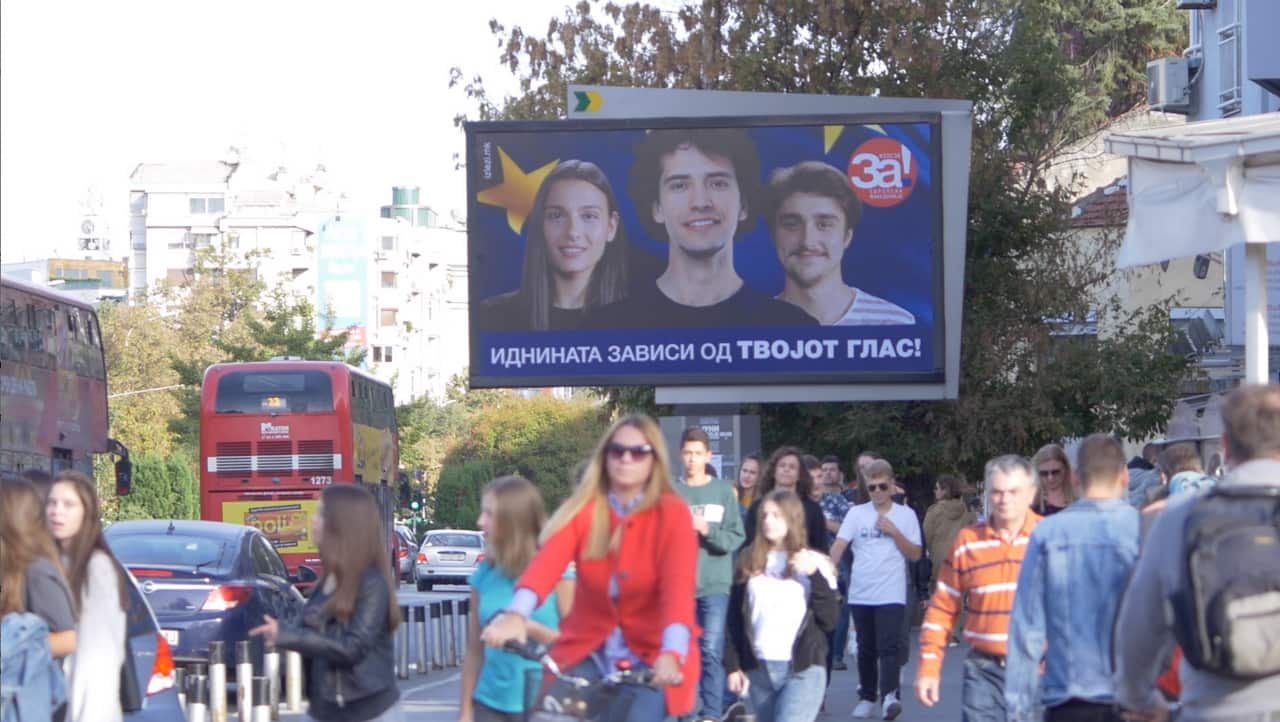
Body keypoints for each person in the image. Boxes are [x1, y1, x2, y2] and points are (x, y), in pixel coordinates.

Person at [479, 415, 700, 721]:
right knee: (550, 715)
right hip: (589, 653)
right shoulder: (586, 510)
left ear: (654, 460)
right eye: (616, 450)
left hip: (652, 657)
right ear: (605, 456)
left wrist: (672, 653)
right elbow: (546, 564)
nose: (625, 458)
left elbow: (678, 589)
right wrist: (515, 616)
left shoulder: (672, 514)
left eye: (638, 452)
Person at [1114, 384, 1280, 722]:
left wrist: (1139, 698)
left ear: (1225, 444)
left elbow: (1140, 625)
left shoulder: (1180, 516)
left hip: (1213, 708)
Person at [590, 128, 818, 328]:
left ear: (744, 205)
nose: (700, 202)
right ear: (657, 207)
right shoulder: (607, 329)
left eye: (718, 183)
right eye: (679, 185)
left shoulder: (793, 328)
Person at [1005, 434, 1140, 722]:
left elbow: (1027, 626)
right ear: (1125, 475)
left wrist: (1019, 707)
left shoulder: (1047, 533)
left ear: (1076, 477)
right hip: (1132, 693)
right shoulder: (1144, 529)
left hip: (1069, 690)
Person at [250, 484, 403, 722]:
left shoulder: (372, 584)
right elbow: (311, 639)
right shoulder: (326, 581)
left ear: (341, 525)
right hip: (324, 709)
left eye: (321, 514)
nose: (313, 521)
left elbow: (352, 648)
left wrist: (289, 636)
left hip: (367, 710)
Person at [915, 455, 1041, 722]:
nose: (1004, 499)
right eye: (997, 492)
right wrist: (929, 664)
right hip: (983, 669)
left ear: (1030, 493)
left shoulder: (1048, 538)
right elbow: (942, 607)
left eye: (1013, 492)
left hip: (1036, 669)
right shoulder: (969, 541)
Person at [460, 476, 573, 722]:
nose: (481, 522)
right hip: (490, 703)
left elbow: (577, 646)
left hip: (545, 704)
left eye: (490, 514)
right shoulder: (484, 574)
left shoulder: (560, 575)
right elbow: (473, 651)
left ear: (514, 521)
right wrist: (466, 713)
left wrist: (526, 627)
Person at [725, 490, 841, 722]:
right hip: (759, 668)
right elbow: (734, 619)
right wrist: (732, 665)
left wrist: (814, 575)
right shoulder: (748, 559)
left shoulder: (814, 561)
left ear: (792, 518)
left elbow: (830, 619)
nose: (768, 521)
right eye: (765, 516)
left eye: (776, 516)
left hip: (802, 668)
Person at [476, 159, 629, 331]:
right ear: (539, 224)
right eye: (557, 215)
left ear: (611, 227)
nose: (572, 232)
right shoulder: (492, 316)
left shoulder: (641, 317)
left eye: (588, 216)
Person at [764, 161, 915, 325]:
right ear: (774, 235)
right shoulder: (750, 325)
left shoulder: (894, 324)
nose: (807, 241)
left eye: (824, 225)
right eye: (792, 224)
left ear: (847, 237)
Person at [829, 459, 923, 720]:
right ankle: (868, 696)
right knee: (865, 646)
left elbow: (915, 554)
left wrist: (895, 533)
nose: (878, 492)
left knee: (889, 646)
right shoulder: (857, 513)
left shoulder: (906, 515)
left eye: (883, 486)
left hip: (891, 591)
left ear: (891, 484)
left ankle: (890, 695)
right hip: (862, 590)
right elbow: (840, 544)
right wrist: (826, 568)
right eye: (872, 488)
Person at [45, 470, 128, 722]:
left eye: (68, 504)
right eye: (52, 502)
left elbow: (99, 654)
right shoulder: (58, 562)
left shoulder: (97, 567)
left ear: (87, 512)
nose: (57, 511)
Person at [674, 427, 745, 721]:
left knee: (712, 651)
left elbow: (735, 537)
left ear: (708, 456)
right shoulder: (672, 493)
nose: (692, 459)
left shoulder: (722, 492)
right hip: (680, 586)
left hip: (715, 583)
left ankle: (712, 714)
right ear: (681, 456)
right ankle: (685, 713)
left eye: (697, 454)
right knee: (684, 654)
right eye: (688, 453)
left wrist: (706, 529)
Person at [1, 473, 75, 722]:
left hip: (27, 700)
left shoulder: (36, 571)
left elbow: (71, 637)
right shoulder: (12, 566)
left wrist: (17, 648)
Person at [921, 474, 974, 646]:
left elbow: (925, 535)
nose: (935, 491)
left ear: (945, 490)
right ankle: (954, 633)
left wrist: (927, 552)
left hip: (939, 557)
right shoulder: (967, 511)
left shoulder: (935, 511)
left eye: (937, 488)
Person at [743, 447, 828, 551]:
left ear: (799, 475)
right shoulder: (757, 507)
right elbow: (747, 547)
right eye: (782, 465)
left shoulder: (813, 509)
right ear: (773, 472)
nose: (786, 469)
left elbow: (821, 549)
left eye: (792, 467)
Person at [817, 455, 853, 671]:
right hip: (810, 559)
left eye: (832, 470)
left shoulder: (840, 501)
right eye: (824, 470)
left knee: (840, 609)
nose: (827, 474)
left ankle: (836, 653)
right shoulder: (807, 500)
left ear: (839, 474)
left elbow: (847, 530)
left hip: (837, 562)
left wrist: (824, 523)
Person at [1031, 444, 1074, 516]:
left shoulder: (1079, 501)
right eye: (1044, 473)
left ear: (1065, 469)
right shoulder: (1031, 503)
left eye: (1055, 472)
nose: (1050, 478)